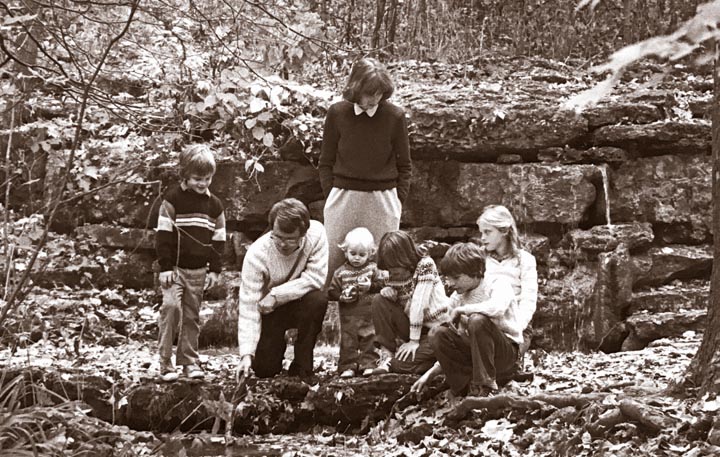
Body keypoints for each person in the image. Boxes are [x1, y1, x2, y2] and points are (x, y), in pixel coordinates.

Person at [319, 57, 412, 288]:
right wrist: (332, 195)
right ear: (356, 88)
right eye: (370, 93)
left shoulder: (395, 116)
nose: (374, 99)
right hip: (342, 200)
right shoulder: (337, 113)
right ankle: (335, 311)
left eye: (379, 93)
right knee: (334, 266)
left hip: (383, 201)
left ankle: (380, 311)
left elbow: (405, 165)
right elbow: (326, 161)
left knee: (383, 270)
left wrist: (397, 200)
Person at [411, 242, 524, 397]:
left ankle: (485, 385)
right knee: (436, 333)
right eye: (448, 278)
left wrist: (463, 310)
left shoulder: (497, 283)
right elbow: (450, 336)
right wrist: (430, 374)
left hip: (505, 355)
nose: (450, 283)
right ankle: (462, 387)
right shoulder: (457, 297)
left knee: (477, 320)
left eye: (456, 278)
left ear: (475, 271)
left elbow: (497, 308)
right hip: (476, 357)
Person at [155, 144, 226, 382]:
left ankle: (189, 362)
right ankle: (165, 363)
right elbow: (163, 236)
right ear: (185, 175)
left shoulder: (215, 206)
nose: (202, 183)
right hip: (174, 269)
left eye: (207, 179)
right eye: (197, 178)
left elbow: (219, 240)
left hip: (199, 271)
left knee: (191, 316)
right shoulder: (172, 199)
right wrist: (165, 267)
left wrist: (215, 270)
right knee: (171, 308)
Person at [236, 198, 328, 379]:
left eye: (290, 239)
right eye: (277, 237)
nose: (283, 244)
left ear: (303, 234)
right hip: (270, 310)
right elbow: (249, 305)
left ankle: (302, 365)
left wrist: (277, 295)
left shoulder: (317, 234)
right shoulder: (256, 254)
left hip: (301, 301)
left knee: (318, 299)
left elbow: (316, 278)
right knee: (265, 370)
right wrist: (246, 355)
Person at [366, 231, 450, 376]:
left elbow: (419, 304)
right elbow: (399, 307)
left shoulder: (425, 265)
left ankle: (434, 363)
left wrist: (413, 341)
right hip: (412, 328)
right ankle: (387, 355)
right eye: (389, 266)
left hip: (436, 330)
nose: (392, 270)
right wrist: (386, 291)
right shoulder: (391, 274)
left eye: (395, 265)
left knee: (399, 365)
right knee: (379, 300)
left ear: (404, 257)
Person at [477, 205, 538, 363]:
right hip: (484, 323)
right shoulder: (480, 258)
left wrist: (516, 327)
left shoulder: (525, 260)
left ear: (504, 231)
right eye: (481, 232)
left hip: (517, 327)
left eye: (487, 232)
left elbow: (529, 300)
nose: (482, 238)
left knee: (502, 361)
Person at [327, 227, 386, 378]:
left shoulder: (373, 269)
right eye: (353, 253)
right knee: (348, 341)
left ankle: (369, 364)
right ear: (345, 252)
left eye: (362, 254)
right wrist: (341, 296)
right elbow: (332, 291)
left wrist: (370, 286)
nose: (357, 258)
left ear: (370, 254)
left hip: (369, 314)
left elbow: (383, 285)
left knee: (370, 339)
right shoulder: (340, 272)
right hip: (348, 315)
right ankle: (348, 366)